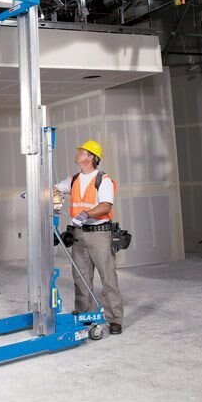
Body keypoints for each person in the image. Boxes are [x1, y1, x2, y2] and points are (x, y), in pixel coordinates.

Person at [54, 140, 124, 334]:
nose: (78, 154)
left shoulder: (103, 179)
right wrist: (34, 193)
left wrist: (85, 214)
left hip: (99, 234)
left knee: (108, 278)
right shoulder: (74, 179)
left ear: (92, 157)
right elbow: (55, 189)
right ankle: (84, 314)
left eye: (82, 152)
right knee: (80, 278)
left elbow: (106, 206)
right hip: (78, 235)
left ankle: (115, 319)